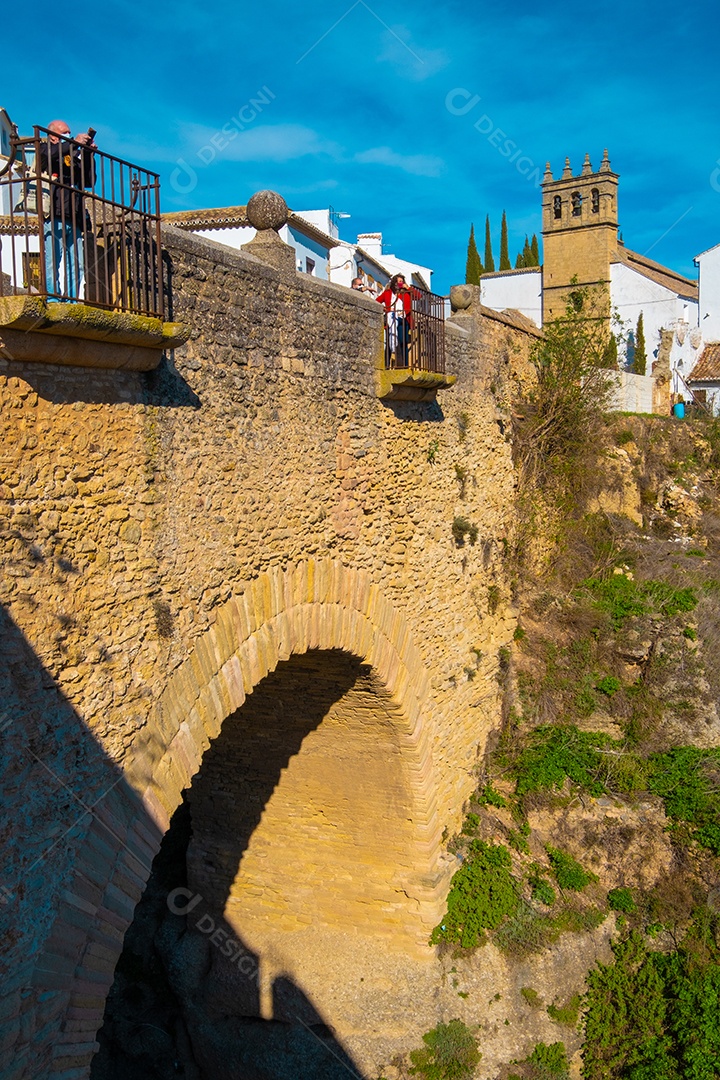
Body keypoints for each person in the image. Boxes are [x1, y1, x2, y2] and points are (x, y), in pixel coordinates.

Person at [38, 120, 97, 300]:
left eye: (69, 133)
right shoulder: (43, 148)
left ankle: (72, 299)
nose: (68, 135)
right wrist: (73, 143)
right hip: (54, 213)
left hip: (75, 215)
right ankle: (53, 297)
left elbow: (88, 181)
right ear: (53, 135)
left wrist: (87, 154)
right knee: (52, 261)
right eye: (64, 132)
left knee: (76, 264)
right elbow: (50, 155)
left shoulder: (71, 153)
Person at [376, 274, 412, 367]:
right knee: (389, 341)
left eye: (401, 281)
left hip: (403, 319)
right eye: (397, 281)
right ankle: (386, 365)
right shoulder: (387, 293)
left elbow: (418, 296)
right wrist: (385, 309)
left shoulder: (406, 293)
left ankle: (405, 364)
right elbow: (377, 302)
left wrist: (407, 287)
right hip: (391, 319)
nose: (399, 283)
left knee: (402, 341)